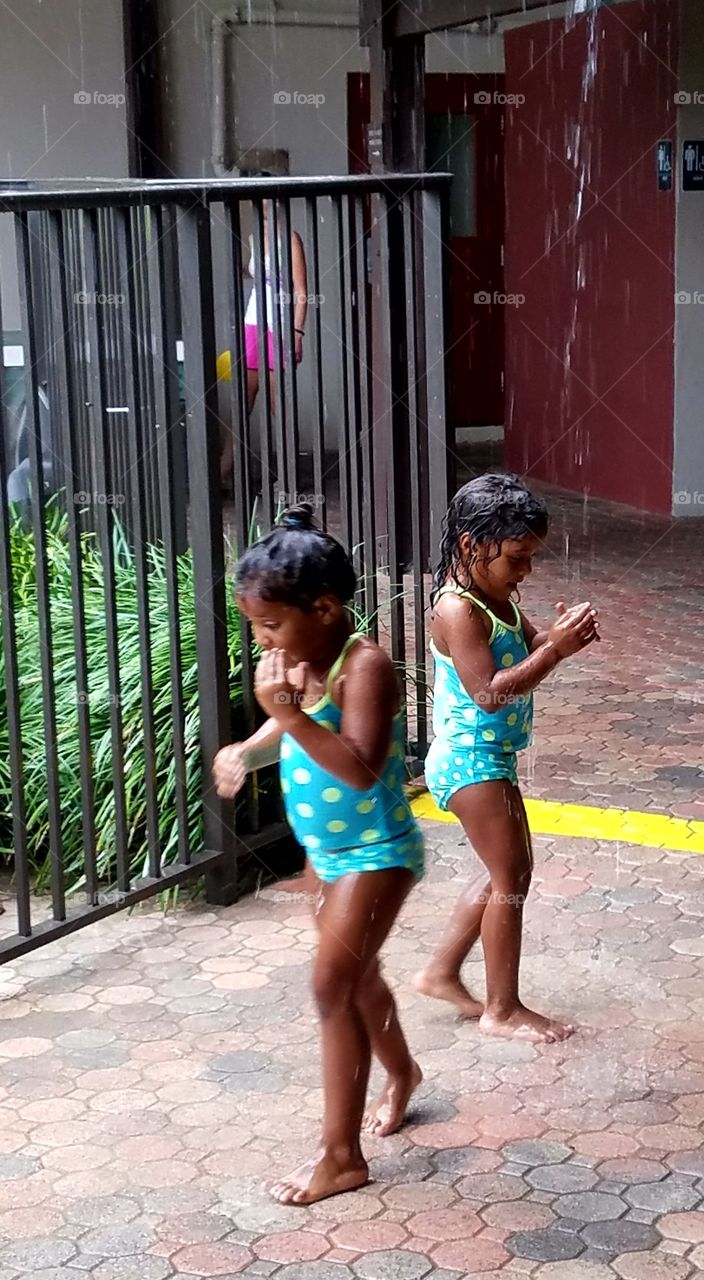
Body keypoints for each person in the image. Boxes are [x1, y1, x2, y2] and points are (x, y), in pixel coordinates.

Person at [212, 504, 424, 1205]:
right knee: (359, 981)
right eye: (254, 627)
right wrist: (250, 747)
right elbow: (292, 736)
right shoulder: (307, 665)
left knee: (331, 987)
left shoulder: (362, 666)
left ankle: (341, 1157)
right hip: (329, 854)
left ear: (325, 607)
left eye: (270, 625)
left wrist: (291, 714)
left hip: (376, 852)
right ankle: (402, 1074)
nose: (261, 640)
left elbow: (360, 765)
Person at [416, 474, 600, 1044]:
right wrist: (555, 651)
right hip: (469, 759)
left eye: (530, 559)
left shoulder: (494, 597)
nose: (525, 571)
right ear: (474, 544)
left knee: (504, 872)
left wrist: (564, 638)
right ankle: (502, 1010)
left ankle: (440, 972)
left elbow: (536, 642)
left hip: (488, 756)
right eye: (517, 558)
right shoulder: (457, 611)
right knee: (512, 876)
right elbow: (491, 691)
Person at [220, 197, 308, 488]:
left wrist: (296, 333)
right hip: (252, 323)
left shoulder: (290, 239)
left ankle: (288, 478)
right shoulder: (254, 237)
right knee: (242, 403)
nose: (265, 205)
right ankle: (224, 474)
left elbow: (301, 292)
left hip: (278, 326)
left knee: (278, 406)